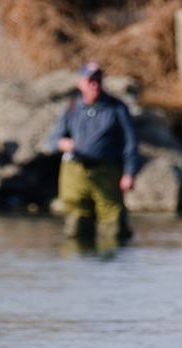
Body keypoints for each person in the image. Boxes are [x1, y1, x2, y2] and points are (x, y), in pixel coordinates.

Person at [48, 62, 140, 242]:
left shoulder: (117, 108)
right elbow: (52, 141)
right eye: (90, 80)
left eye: (98, 80)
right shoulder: (72, 107)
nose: (95, 85)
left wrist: (129, 173)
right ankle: (80, 265)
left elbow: (131, 144)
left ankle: (114, 265)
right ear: (81, 83)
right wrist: (62, 143)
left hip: (107, 172)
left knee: (113, 226)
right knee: (76, 225)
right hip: (76, 173)